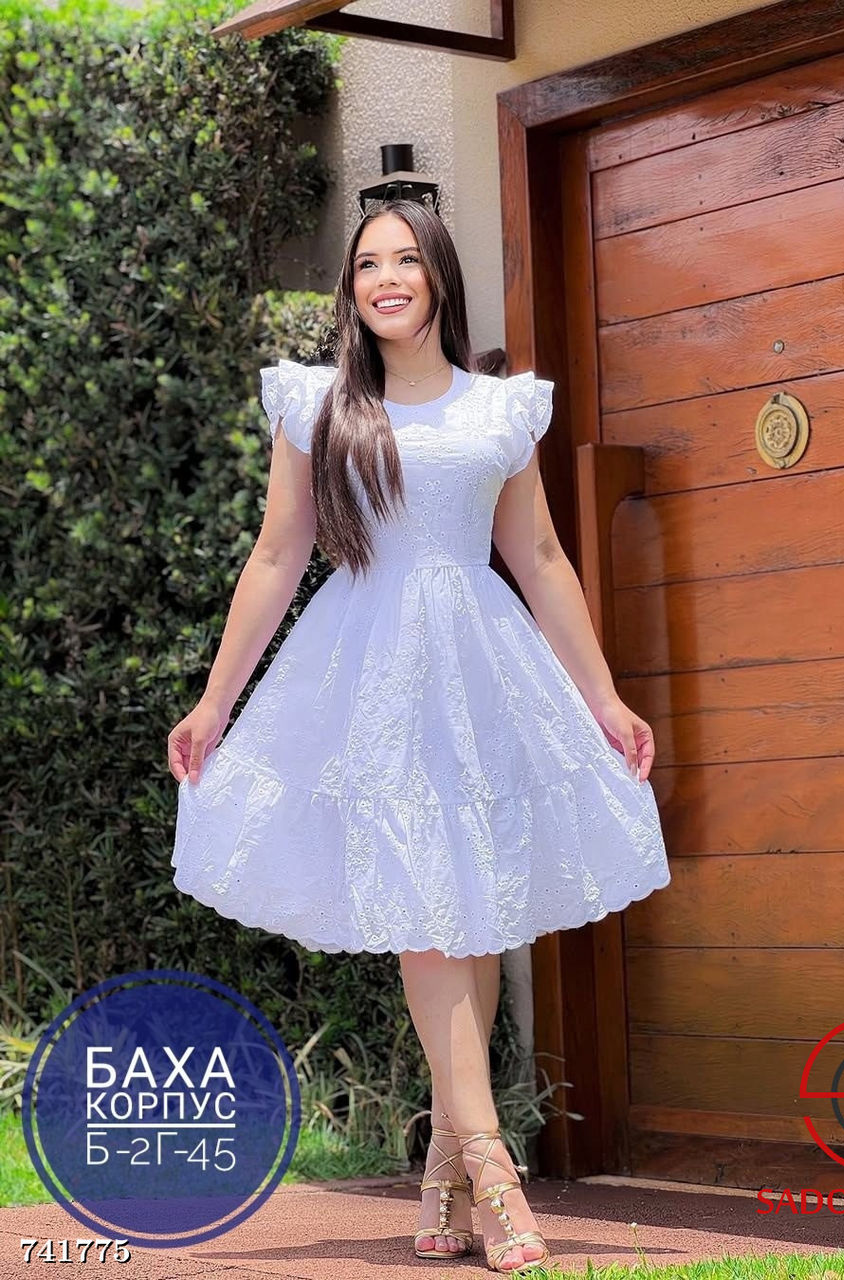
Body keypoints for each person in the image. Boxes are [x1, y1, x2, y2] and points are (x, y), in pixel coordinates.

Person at [167, 197, 671, 1274]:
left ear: (439, 274)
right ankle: (492, 1165)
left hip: (482, 671)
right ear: (350, 289)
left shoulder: (499, 408)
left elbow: (539, 557)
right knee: (428, 909)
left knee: (470, 913)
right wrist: (215, 702)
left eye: (404, 259)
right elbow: (277, 555)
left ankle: (445, 1161)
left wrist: (604, 697)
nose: (385, 278)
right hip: (366, 675)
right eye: (366, 265)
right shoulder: (316, 405)